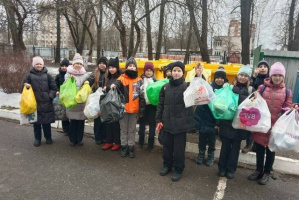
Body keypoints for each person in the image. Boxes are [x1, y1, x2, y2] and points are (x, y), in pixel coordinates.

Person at [249, 62, 293, 185]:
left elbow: (286, 110)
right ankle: (258, 170)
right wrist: (253, 97)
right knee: (259, 149)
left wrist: (291, 110)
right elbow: (253, 102)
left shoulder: (287, 92)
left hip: (275, 127)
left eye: (280, 75)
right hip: (261, 125)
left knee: (270, 151)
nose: (277, 78)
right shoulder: (262, 88)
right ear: (271, 75)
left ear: (283, 77)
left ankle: (266, 173)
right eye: (275, 75)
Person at [156, 61, 194, 182]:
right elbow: (160, 105)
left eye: (179, 70)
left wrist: (199, 75)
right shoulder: (165, 87)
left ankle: (178, 169)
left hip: (180, 126)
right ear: (170, 72)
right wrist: (158, 120)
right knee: (167, 148)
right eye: (174, 70)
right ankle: (167, 165)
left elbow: (199, 90)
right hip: (167, 124)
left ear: (183, 72)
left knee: (178, 150)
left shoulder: (187, 87)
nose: (176, 73)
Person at [218, 65, 256, 179]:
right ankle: (221, 168)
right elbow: (222, 102)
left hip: (240, 124)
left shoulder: (251, 90)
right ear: (237, 76)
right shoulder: (229, 87)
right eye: (241, 75)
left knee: (235, 149)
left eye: (245, 75)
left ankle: (231, 169)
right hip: (227, 123)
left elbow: (253, 107)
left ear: (248, 78)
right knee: (225, 147)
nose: (243, 77)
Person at [111, 57, 145, 158]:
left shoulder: (139, 80)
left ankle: (131, 147)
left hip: (134, 110)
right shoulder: (122, 78)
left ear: (136, 68)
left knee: (131, 129)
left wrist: (141, 110)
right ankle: (124, 146)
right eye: (130, 65)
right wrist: (113, 85)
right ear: (126, 67)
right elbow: (116, 83)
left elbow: (142, 96)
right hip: (123, 109)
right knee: (123, 129)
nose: (132, 67)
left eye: (133, 66)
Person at [194, 66, 227, 166]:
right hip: (204, 117)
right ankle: (201, 153)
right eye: (217, 77)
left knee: (212, 139)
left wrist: (218, 123)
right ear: (214, 78)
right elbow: (200, 87)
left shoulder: (226, 91)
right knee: (202, 138)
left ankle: (210, 155)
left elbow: (224, 109)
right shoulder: (209, 87)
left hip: (214, 120)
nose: (219, 80)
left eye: (222, 78)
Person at [23, 56, 58, 147]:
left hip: (47, 103)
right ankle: (37, 138)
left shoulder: (48, 76)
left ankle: (48, 137)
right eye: (37, 64)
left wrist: (50, 96)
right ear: (33, 65)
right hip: (34, 104)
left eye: (40, 64)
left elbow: (54, 88)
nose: (39, 65)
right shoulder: (29, 76)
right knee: (36, 123)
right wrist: (26, 86)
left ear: (43, 65)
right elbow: (23, 87)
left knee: (47, 123)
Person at [242, 60, 270, 153]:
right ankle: (249, 144)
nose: (262, 68)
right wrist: (253, 76)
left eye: (265, 66)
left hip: (265, 106)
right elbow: (250, 88)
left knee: (261, 126)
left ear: (268, 69)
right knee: (251, 125)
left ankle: (258, 146)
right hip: (254, 105)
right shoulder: (254, 78)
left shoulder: (271, 79)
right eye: (260, 66)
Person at [64, 53, 89, 146]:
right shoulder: (68, 74)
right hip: (72, 102)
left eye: (80, 64)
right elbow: (65, 85)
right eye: (76, 63)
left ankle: (79, 139)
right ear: (73, 64)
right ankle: (72, 139)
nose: (78, 65)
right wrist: (70, 80)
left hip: (82, 103)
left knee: (81, 122)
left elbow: (87, 85)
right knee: (73, 122)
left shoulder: (85, 74)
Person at [101, 57, 122, 151]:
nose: (111, 69)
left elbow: (117, 87)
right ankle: (109, 141)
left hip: (116, 104)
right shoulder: (109, 77)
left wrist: (108, 87)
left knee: (115, 123)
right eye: (110, 67)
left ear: (117, 68)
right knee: (108, 122)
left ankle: (117, 142)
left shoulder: (120, 77)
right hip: (108, 104)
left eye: (113, 67)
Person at [88, 56, 108, 145]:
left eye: (104, 63)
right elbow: (89, 81)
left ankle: (104, 136)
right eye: (100, 63)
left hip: (106, 98)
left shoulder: (109, 73)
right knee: (97, 119)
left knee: (105, 119)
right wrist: (86, 83)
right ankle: (97, 137)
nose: (102, 65)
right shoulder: (95, 73)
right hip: (96, 99)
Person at [138, 62, 157, 151]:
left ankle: (150, 144)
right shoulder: (140, 81)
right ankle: (141, 142)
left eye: (150, 70)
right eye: (147, 70)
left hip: (152, 106)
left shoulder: (156, 82)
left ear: (153, 71)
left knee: (152, 124)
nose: (148, 72)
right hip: (142, 105)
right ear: (144, 71)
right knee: (142, 124)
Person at [55, 58, 70, 136]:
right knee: (63, 113)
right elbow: (55, 85)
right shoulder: (58, 76)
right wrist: (57, 90)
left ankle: (70, 128)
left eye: (66, 66)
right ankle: (65, 129)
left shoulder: (70, 75)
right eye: (62, 66)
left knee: (69, 113)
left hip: (69, 97)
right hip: (61, 96)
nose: (64, 67)